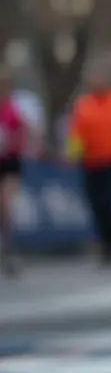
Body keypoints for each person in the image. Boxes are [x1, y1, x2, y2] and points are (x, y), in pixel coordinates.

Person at [67, 67, 111, 268]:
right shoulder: (83, 105)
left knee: (107, 200)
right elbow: (76, 132)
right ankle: (103, 240)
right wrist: (73, 153)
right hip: (90, 160)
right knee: (95, 203)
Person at [0, 69, 31, 276]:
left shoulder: (12, 109)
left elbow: (24, 130)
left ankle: (11, 251)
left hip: (9, 162)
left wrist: (12, 144)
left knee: (5, 204)